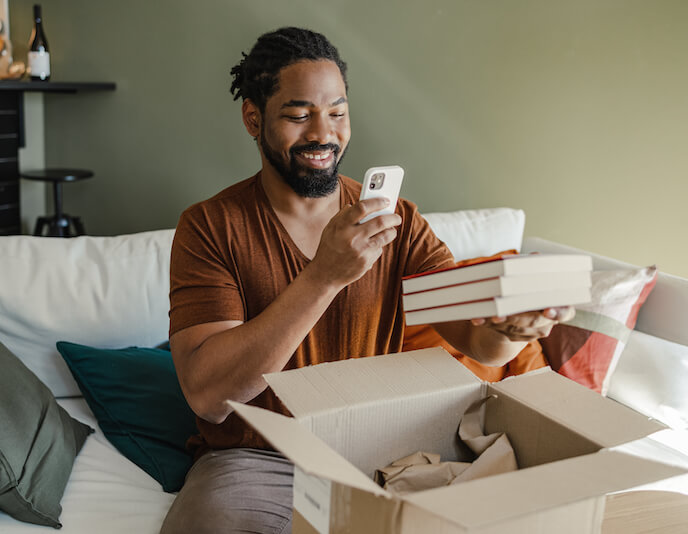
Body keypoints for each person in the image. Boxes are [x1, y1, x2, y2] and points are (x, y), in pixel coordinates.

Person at [161, 27, 572, 534]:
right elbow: (207, 394)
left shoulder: (396, 221)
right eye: (298, 115)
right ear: (253, 117)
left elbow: (478, 342)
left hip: (378, 452)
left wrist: (515, 331)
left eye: (337, 112)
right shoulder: (210, 227)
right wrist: (323, 278)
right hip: (257, 459)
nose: (322, 133)